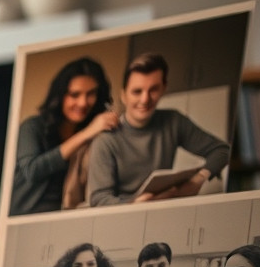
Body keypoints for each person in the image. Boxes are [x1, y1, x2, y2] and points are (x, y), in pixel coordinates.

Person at [87, 52, 231, 206]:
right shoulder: (106, 140)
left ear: (163, 88)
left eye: (153, 90)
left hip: (165, 208)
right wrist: (134, 203)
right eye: (137, 91)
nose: (145, 99)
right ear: (123, 95)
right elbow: (99, 200)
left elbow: (222, 150)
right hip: (124, 217)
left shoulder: (174, 121)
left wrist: (198, 179)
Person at [10, 56, 118, 215]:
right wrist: (86, 134)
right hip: (25, 215)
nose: (83, 103)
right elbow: (32, 171)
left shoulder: (98, 132)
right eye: (75, 94)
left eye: (91, 94)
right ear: (60, 96)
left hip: (67, 215)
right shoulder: (32, 127)